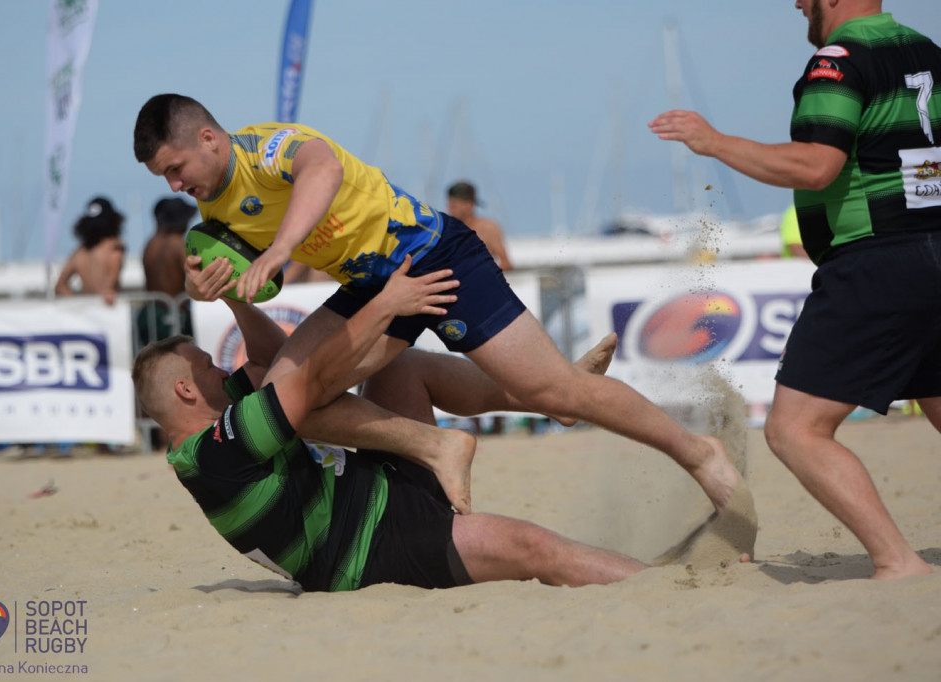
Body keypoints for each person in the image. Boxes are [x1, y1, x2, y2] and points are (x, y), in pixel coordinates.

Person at [133, 95, 755, 551]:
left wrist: (278, 250)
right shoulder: (211, 216)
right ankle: (444, 444)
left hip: (435, 256)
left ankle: (697, 453)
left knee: (557, 390)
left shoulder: (266, 147)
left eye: (176, 166)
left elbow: (321, 171)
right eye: (164, 177)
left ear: (211, 138)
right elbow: (214, 274)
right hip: (372, 285)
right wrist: (201, 284)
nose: (175, 182)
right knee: (286, 400)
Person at [133, 259, 654, 591]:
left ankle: (550, 397)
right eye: (208, 366)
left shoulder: (219, 429)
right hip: (374, 549)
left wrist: (233, 295)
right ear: (185, 390)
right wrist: (386, 306)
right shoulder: (216, 451)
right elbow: (307, 379)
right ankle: (660, 585)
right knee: (534, 548)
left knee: (401, 369)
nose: (222, 369)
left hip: (378, 486)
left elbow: (279, 357)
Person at [649, 0, 941, 579]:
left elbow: (814, 166)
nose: (797, 4)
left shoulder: (839, 59)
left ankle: (898, 561)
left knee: (795, 429)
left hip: (877, 259)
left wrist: (714, 142)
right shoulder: (927, 52)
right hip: (931, 247)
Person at [139, 196, 198, 344]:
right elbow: (196, 278)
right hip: (173, 316)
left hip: (150, 314)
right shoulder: (178, 244)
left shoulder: (151, 243)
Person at [54, 196, 126, 305]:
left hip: (87, 315)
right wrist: (107, 293)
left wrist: (78, 303)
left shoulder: (79, 252)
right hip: (110, 311)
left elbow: (60, 287)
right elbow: (110, 286)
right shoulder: (114, 247)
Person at [446, 181, 513, 272]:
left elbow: (506, 263)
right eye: (449, 206)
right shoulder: (448, 231)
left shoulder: (487, 228)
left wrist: (481, 276)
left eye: (454, 206)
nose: (449, 210)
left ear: (469, 205)